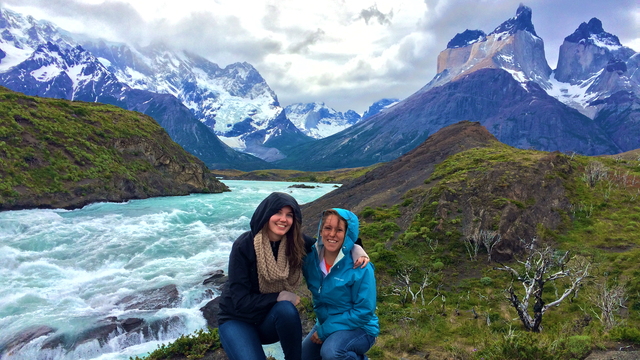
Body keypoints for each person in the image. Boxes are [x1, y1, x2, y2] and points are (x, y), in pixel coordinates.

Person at [217, 192, 368, 360]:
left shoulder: (297, 242)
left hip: (269, 321)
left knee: (286, 310)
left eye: (289, 215)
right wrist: (278, 296)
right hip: (238, 320)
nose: (283, 219)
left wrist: (356, 247)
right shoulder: (245, 245)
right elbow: (240, 301)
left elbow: (330, 245)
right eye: (278, 212)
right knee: (283, 304)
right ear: (266, 214)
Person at [302, 208, 379, 360]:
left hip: (360, 328)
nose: (332, 234)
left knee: (332, 353)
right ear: (321, 230)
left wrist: (325, 331)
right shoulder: (311, 260)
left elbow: (364, 311)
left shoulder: (360, 266)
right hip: (326, 323)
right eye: (327, 228)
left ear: (347, 234)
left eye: (339, 230)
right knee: (301, 356)